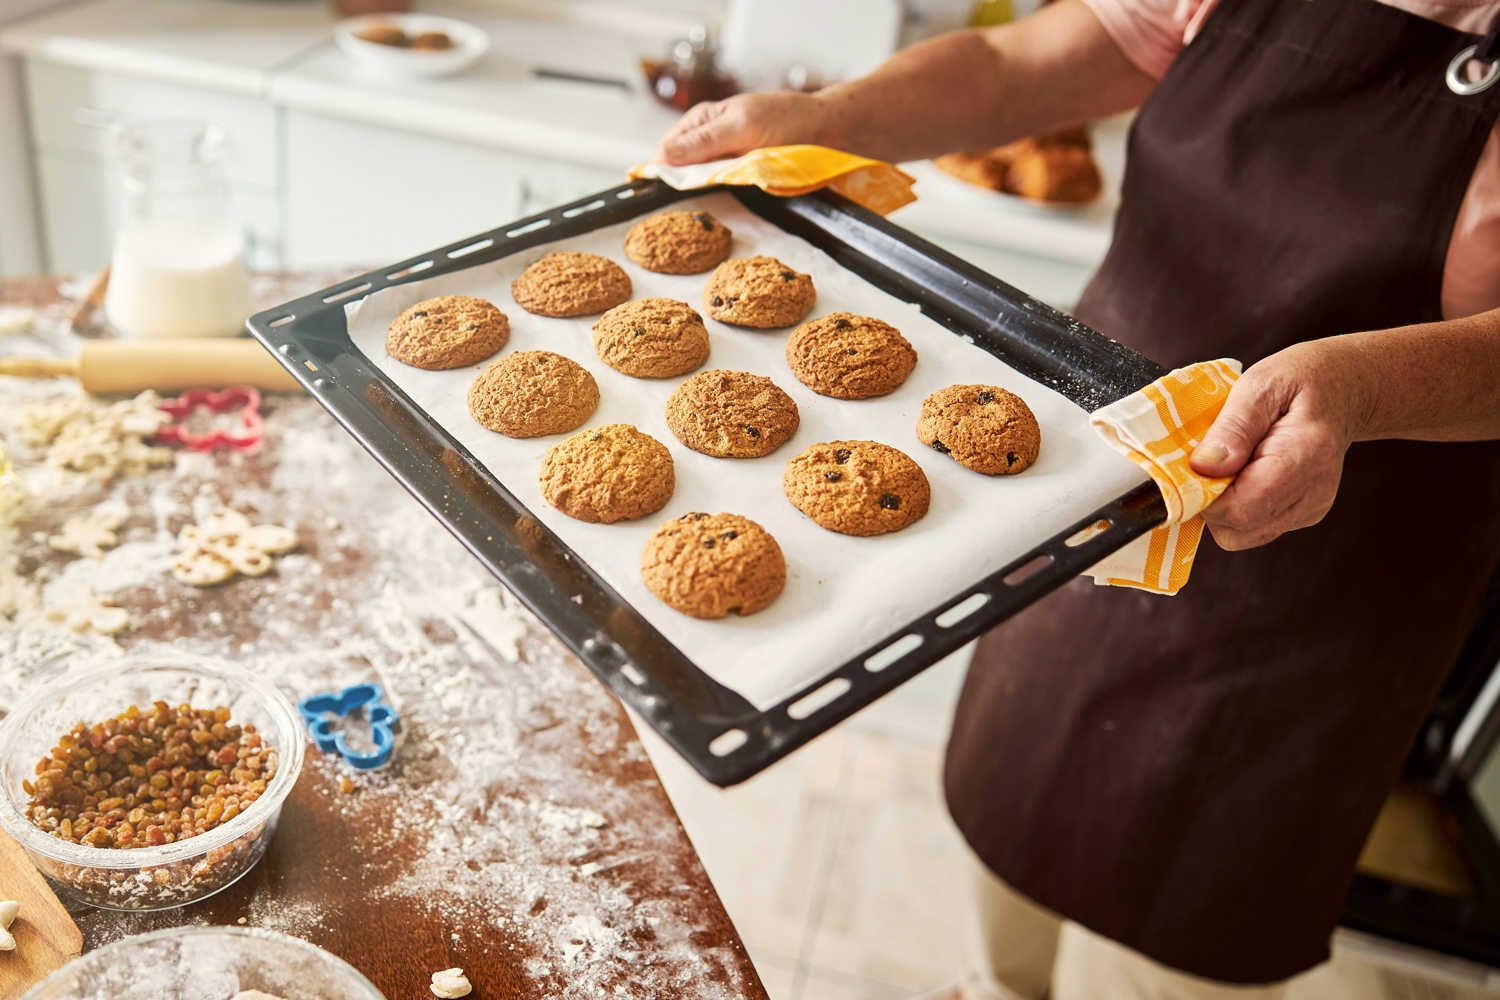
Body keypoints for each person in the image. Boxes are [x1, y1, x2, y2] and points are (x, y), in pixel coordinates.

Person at [656, 0, 1500, 995]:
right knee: (1009, 847)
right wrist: (834, 118)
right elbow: (1021, 67)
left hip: (1324, 561)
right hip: (1085, 476)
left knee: (1160, 942)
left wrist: (1359, 387)